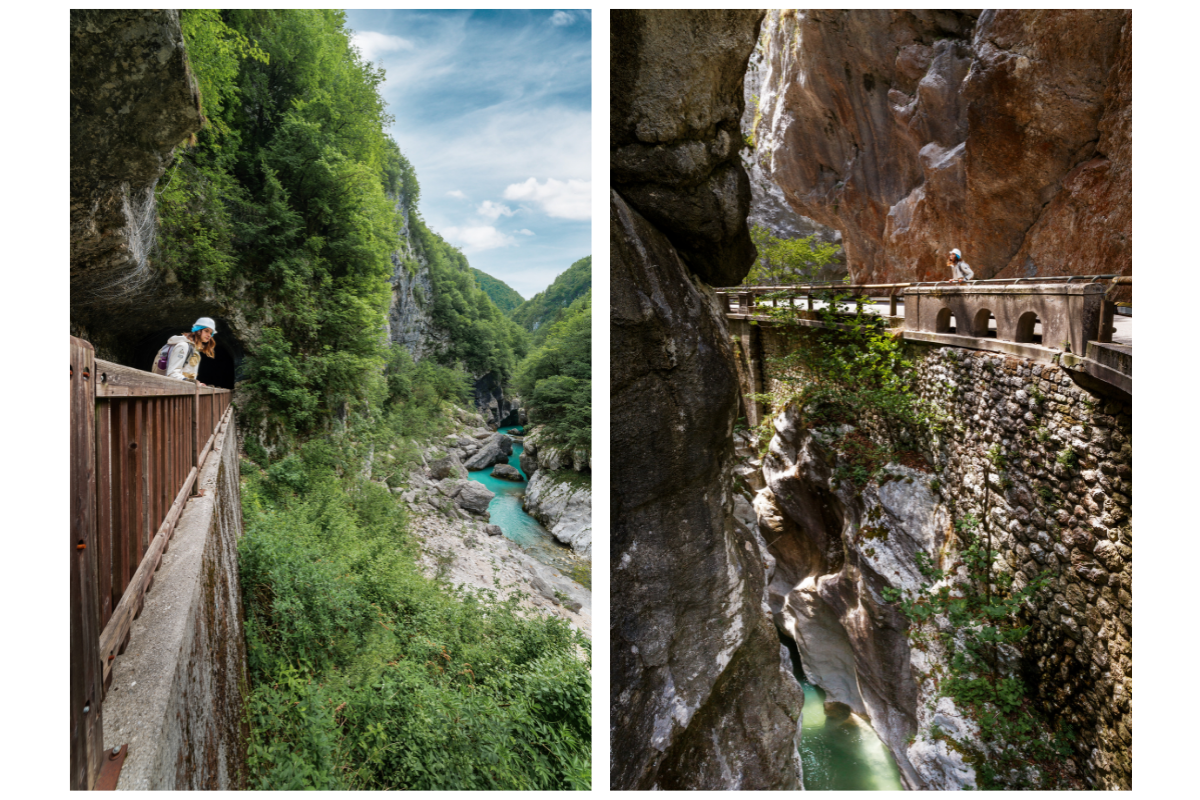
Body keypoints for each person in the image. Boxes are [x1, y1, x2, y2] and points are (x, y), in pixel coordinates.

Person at [164, 317, 218, 384]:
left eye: (211, 333)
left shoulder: (194, 349)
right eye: (206, 331)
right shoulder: (183, 346)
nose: (209, 335)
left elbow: (187, 373)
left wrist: (197, 384)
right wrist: (191, 382)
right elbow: (172, 374)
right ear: (198, 330)